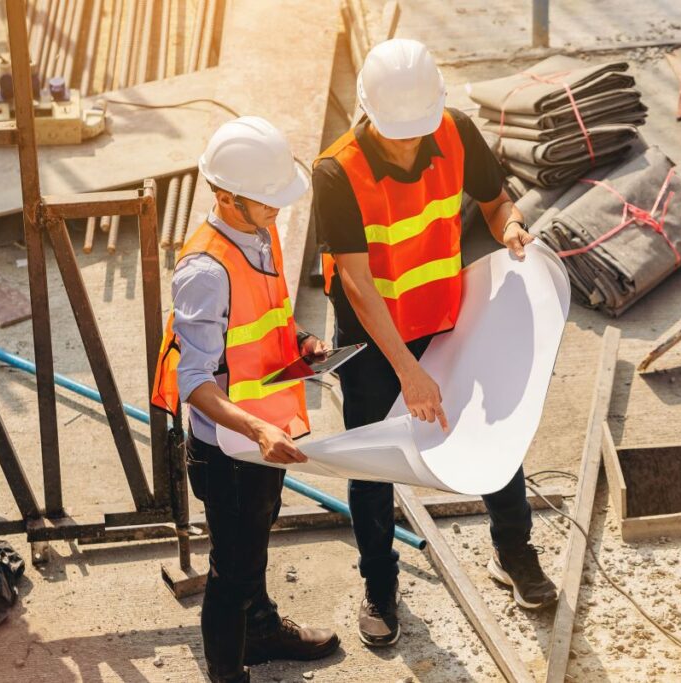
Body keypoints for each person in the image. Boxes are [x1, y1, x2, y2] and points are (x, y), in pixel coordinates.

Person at [311, 39, 558, 649]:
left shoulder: (453, 131)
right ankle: (380, 587)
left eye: (416, 131)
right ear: (368, 114)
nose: (408, 142)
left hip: (448, 314)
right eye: (397, 134)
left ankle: (513, 553)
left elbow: (497, 204)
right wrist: (409, 373)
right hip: (375, 338)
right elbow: (357, 285)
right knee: (376, 463)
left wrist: (514, 231)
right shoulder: (337, 172)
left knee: (493, 430)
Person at [151, 117, 339, 682]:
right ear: (228, 199)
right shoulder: (205, 272)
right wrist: (257, 432)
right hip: (232, 448)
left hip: (263, 434)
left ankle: (258, 628)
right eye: (266, 203)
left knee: (254, 544)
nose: (277, 212)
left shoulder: (260, 233)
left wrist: (301, 341)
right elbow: (196, 382)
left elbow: (266, 318)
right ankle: (227, 673)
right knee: (231, 571)